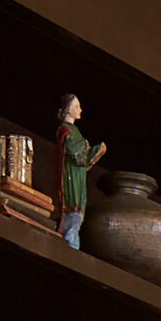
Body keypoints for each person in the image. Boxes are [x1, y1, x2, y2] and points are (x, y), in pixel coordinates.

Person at [54, 93, 104, 246]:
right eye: (76, 106)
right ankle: (69, 244)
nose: (80, 110)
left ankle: (72, 243)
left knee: (78, 217)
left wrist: (94, 151)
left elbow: (83, 157)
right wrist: (85, 145)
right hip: (71, 176)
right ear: (68, 109)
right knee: (73, 215)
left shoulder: (74, 130)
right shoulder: (64, 130)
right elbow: (72, 150)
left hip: (79, 175)